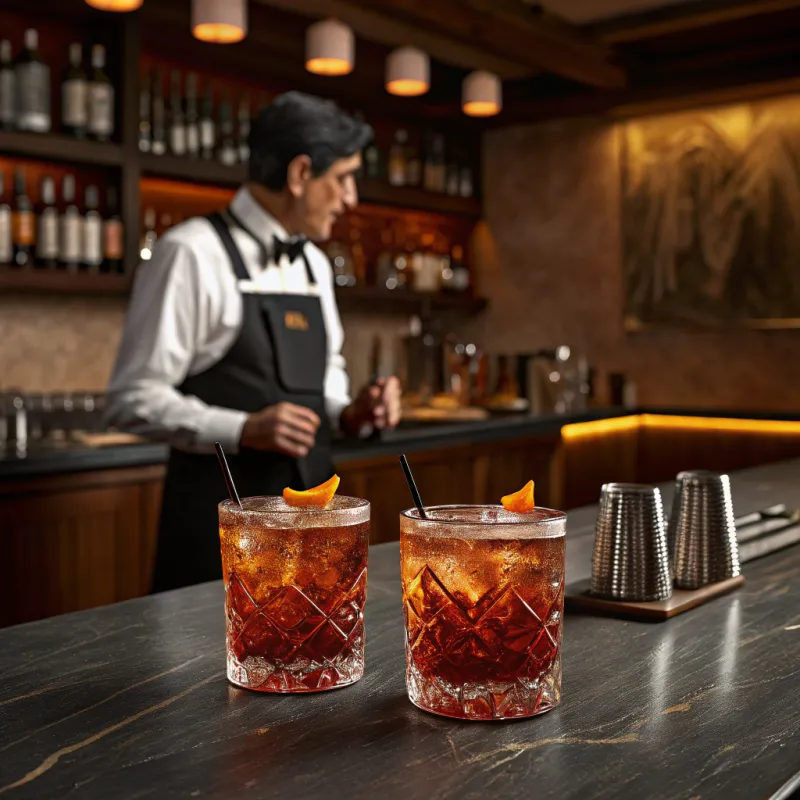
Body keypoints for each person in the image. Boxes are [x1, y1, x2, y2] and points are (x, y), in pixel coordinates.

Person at [106, 91, 401, 593]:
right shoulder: (191, 253)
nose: (351, 198)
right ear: (300, 174)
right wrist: (242, 427)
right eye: (344, 178)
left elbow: (323, 382)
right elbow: (131, 399)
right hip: (216, 547)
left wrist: (352, 413)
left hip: (314, 535)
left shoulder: (312, 263)